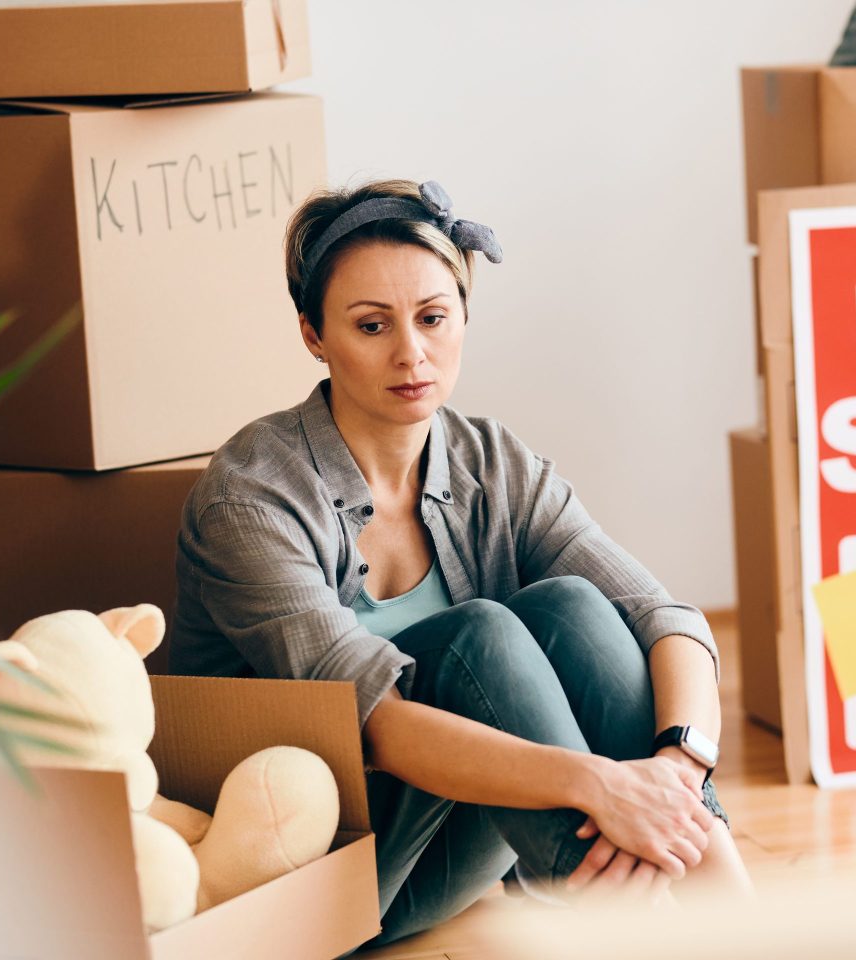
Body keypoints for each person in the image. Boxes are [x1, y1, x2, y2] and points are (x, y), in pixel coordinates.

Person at [170, 179, 754, 945]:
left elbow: (663, 618)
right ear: (313, 334)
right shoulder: (251, 495)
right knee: (478, 635)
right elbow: (372, 723)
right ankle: (631, 921)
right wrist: (602, 785)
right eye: (371, 325)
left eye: (433, 318)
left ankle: (742, 925)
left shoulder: (492, 461)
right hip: (318, 878)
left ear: (463, 317)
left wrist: (678, 767)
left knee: (573, 605)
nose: (411, 353)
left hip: (462, 848)